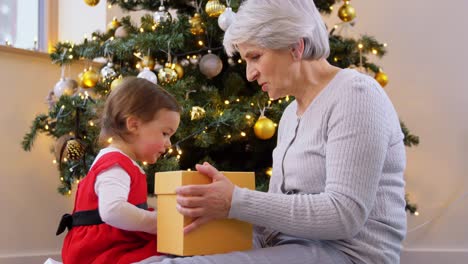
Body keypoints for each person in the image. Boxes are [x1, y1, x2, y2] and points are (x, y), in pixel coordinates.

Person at [144, 0, 407, 263]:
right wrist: (223, 214)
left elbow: (344, 216)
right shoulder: (291, 114)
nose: (249, 74)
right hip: (291, 247)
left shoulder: (357, 95)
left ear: (296, 46)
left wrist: (235, 201)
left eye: (255, 57)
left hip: (349, 256)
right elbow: (276, 219)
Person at [56, 77, 181, 264]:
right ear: (134, 125)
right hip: (101, 250)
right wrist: (158, 222)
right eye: (165, 133)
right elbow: (112, 210)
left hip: (115, 242)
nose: (168, 143)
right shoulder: (115, 164)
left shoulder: (121, 161)